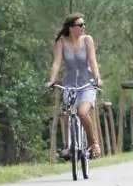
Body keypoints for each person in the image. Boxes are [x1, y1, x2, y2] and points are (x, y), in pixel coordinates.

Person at [45, 13, 104, 159]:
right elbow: (57, 62)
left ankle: (93, 143)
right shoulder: (61, 42)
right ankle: (68, 146)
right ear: (71, 28)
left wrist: (97, 78)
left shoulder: (87, 40)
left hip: (87, 84)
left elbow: (92, 61)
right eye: (80, 25)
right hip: (70, 85)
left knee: (83, 113)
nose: (83, 27)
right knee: (69, 113)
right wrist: (51, 80)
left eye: (84, 25)